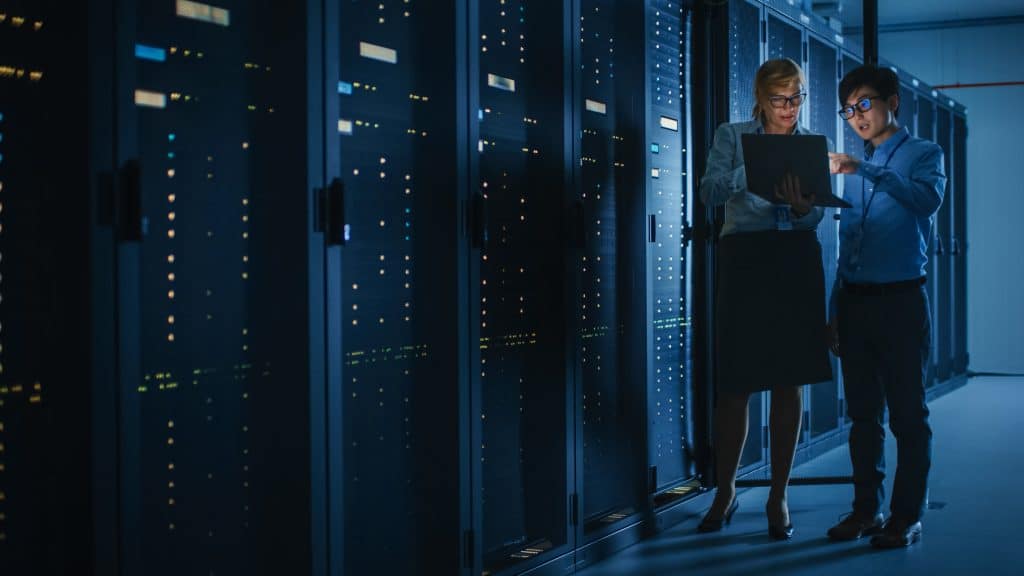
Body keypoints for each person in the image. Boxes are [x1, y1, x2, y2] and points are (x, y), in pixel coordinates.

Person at [698, 58, 833, 540]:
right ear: (760, 99)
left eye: (796, 98)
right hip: (745, 259)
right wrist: (748, 171)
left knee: (789, 381)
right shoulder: (731, 135)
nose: (789, 108)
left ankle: (779, 494)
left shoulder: (816, 144)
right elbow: (708, 192)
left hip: (794, 258)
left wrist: (802, 210)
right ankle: (726, 489)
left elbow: (816, 218)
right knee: (735, 383)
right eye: (780, 100)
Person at [826, 64, 945, 548]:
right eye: (850, 108)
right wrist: (835, 307)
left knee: (908, 417)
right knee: (862, 416)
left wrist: (866, 169)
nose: (857, 116)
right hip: (855, 304)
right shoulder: (851, 170)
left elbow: (926, 201)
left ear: (893, 101)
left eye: (866, 103)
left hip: (900, 302)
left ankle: (906, 516)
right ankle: (865, 511)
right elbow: (848, 243)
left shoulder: (924, 153)